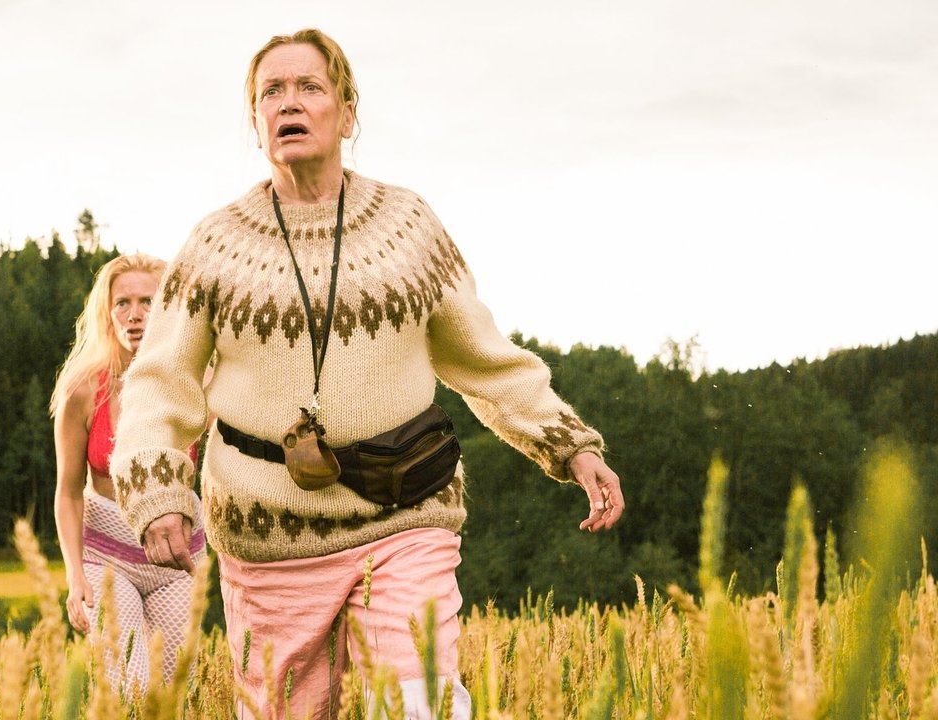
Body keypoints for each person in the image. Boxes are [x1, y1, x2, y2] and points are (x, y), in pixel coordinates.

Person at [109, 28, 626, 719]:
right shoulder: (215, 245)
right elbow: (158, 381)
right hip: (269, 538)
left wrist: (570, 444)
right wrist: (156, 489)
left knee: (422, 705)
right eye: (271, 92)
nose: (288, 102)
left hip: (403, 511)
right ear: (256, 122)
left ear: (347, 114)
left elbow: (484, 358)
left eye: (309, 87)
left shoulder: (408, 226)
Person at [49, 253, 206, 689]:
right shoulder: (82, 391)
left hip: (177, 558)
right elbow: (68, 492)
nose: (135, 315)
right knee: (129, 692)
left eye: (148, 302)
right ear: (107, 312)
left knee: (176, 694)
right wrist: (74, 574)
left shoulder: (193, 381)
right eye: (123, 303)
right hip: (106, 557)